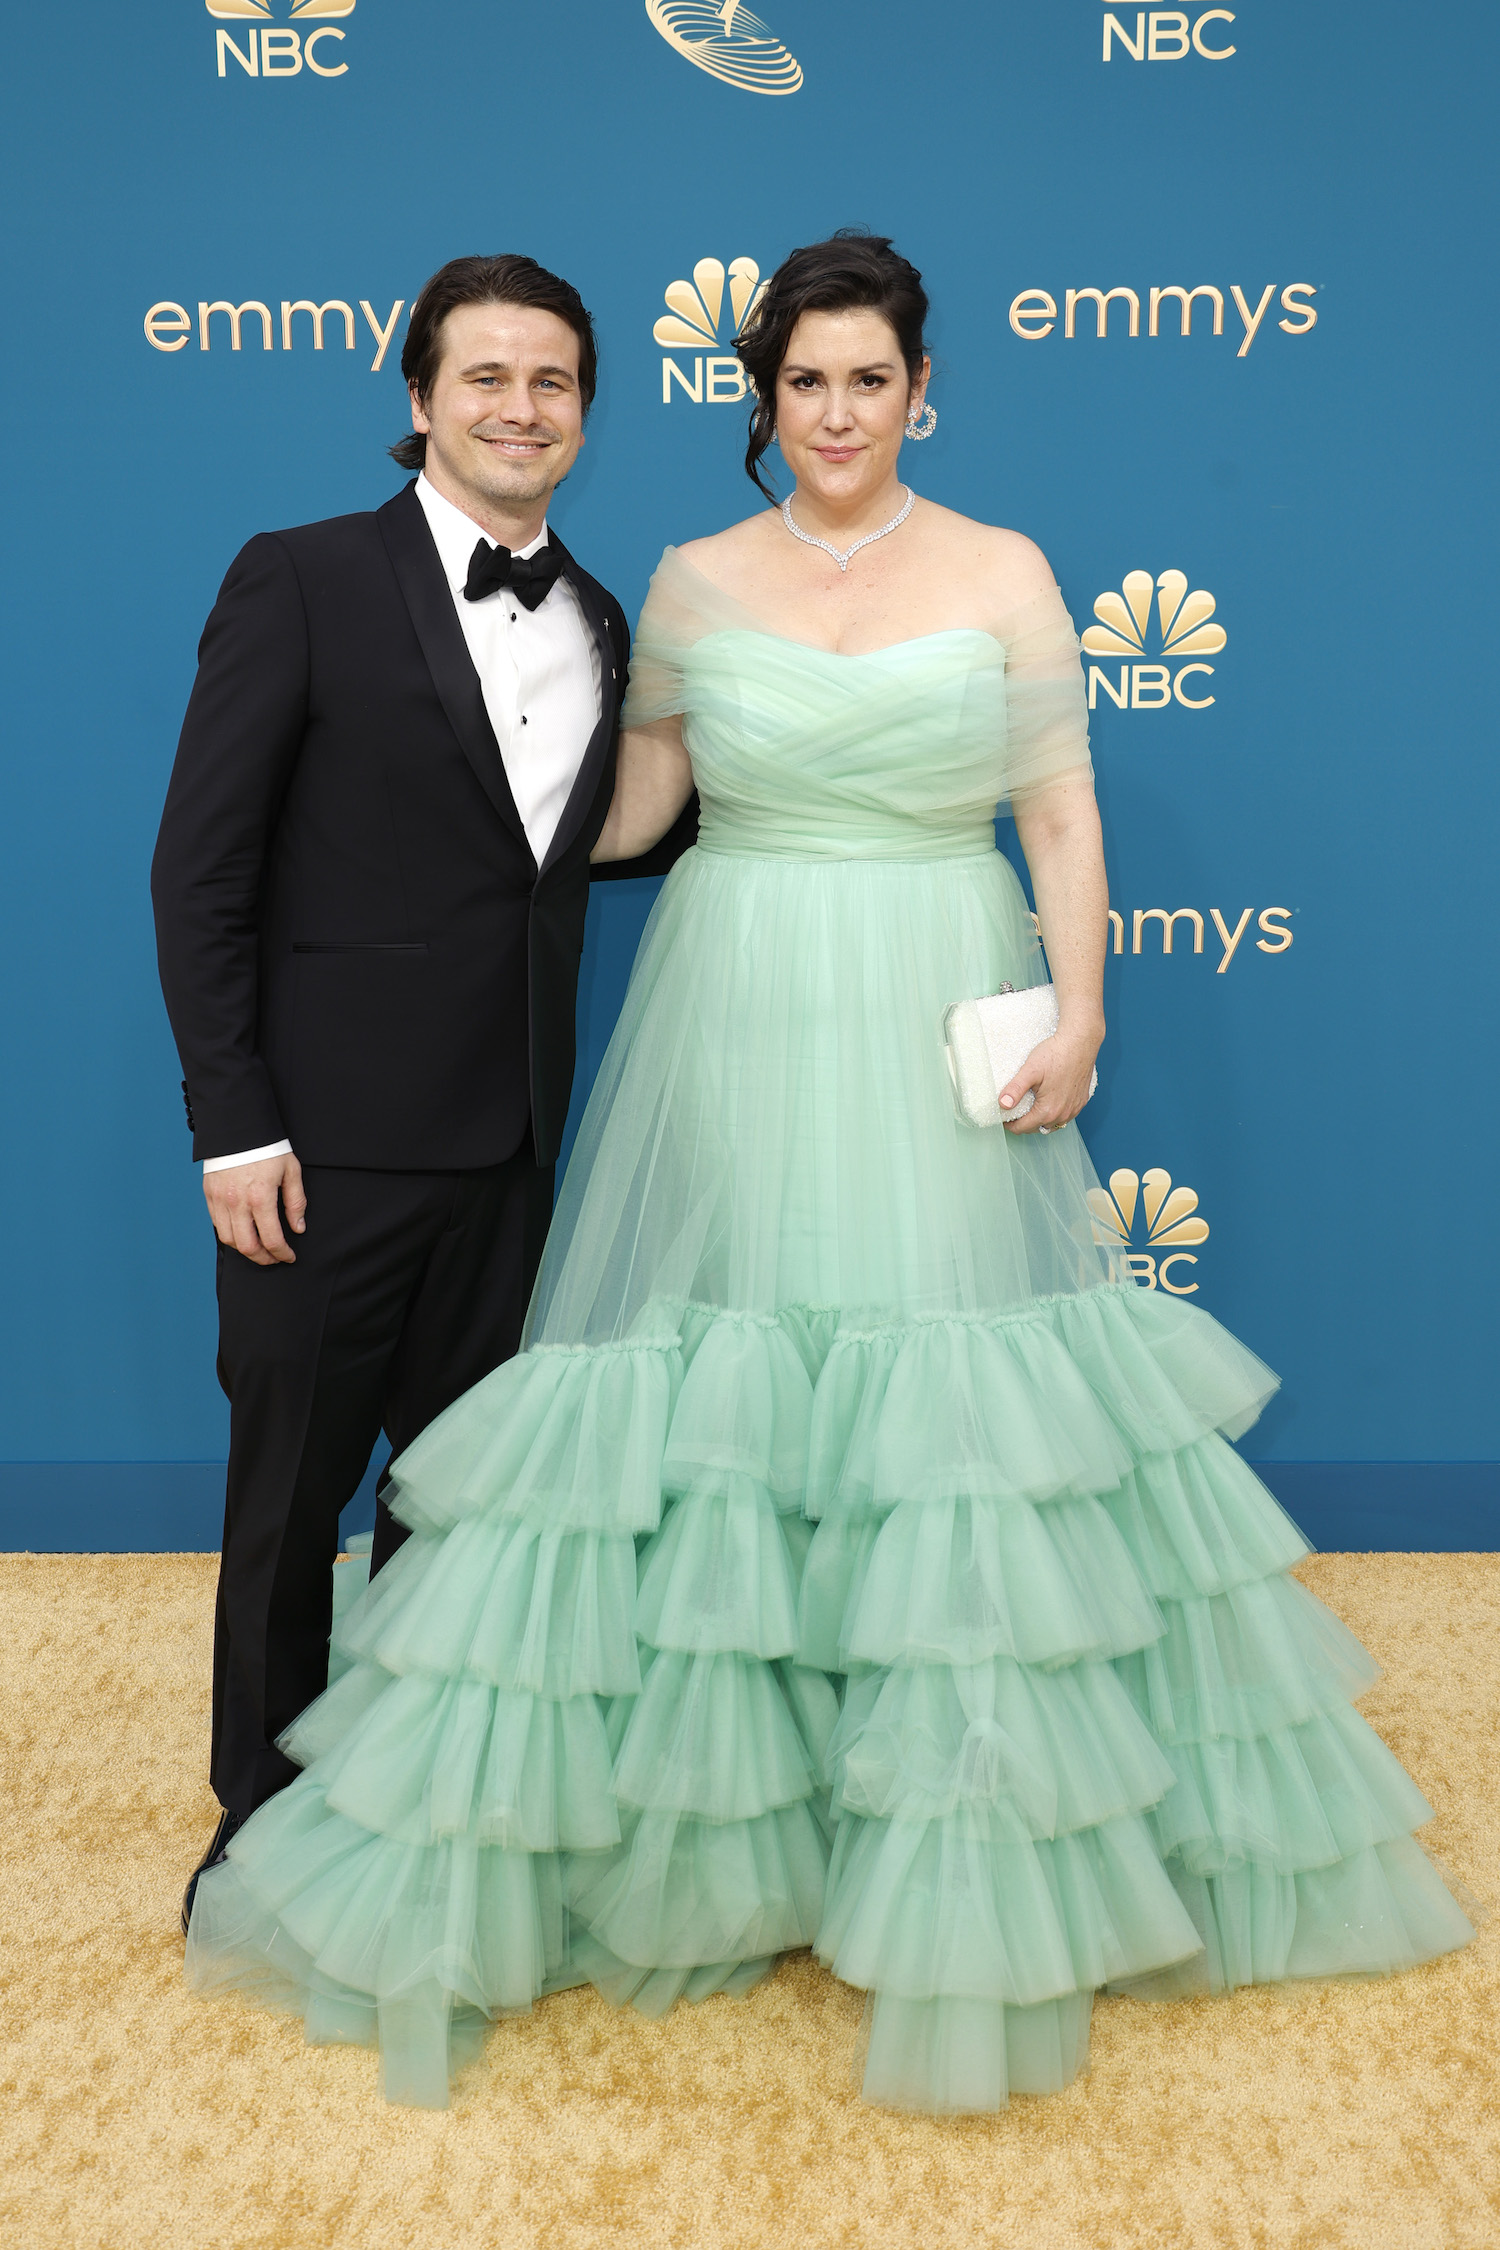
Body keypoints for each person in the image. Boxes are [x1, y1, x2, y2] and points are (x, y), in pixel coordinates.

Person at [183, 233, 1471, 2114]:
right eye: (806, 383)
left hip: (936, 987)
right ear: (761, 402)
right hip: (739, 999)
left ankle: (950, 1829)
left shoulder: (1009, 570)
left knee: (946, 1415)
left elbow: (1059, 805)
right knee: (721, 1404)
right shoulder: (686, 586)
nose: (840, 412)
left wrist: (1084, 1008)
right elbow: (609, 808)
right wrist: (389, 869)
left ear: (919, 392)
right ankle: (712, 1831)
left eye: (871, 380)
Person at [152, 254, 693, 1936]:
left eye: (551, 385)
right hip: (318, 1153)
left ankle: (415, 1806)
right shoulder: (301, 578)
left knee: (455, 1516)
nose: (519, 409)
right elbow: (201, 870)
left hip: (517, 1148)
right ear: (418, 399)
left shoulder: (607, 618)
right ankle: (260, 1820)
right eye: (486, 379)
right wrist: (233, 1120)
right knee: (287, 1500)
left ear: (586, 415)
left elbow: (604, 841)